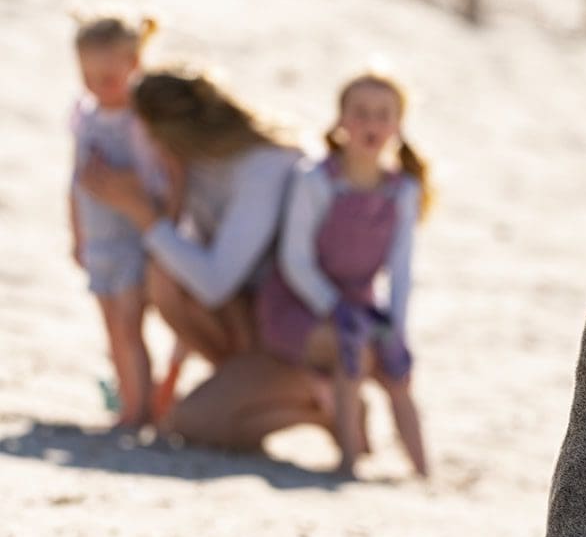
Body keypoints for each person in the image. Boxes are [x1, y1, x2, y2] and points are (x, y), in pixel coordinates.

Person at [80, 68, 329, 451]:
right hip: (253, 320)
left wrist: (145, 216)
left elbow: (215, 282)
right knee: (165, 275)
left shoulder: (264, 165)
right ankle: (243, 393)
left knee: (191, 424)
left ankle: (324, 407)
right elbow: (186, 272)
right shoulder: (195, 167)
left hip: (295, 338)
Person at [256, 72, 430, 477]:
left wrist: (397, 328)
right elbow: (295, 259)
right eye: (361, 113)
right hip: (301, 302)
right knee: (351, 351)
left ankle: (423, 471)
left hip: (363, 303)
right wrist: (333, 307)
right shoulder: (315, 180)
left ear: (398, 125)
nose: (371, 123)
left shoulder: (402, 191)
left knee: (397, 370)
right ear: (341, 121)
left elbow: (401, 270)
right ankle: (349, 463)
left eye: (383, 115)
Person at [69, 13, 175, 428]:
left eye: (108, 77)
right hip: (98, 240)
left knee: (130, 323)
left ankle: (140, 409)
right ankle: (127, 397)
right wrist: (77, 235)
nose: (98, 86)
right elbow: (74, 181)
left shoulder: (141, 121)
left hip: (133, 239)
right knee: (112, 325)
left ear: (134, 64)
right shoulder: (84, 116)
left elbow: (159, 181)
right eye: (88, 76)